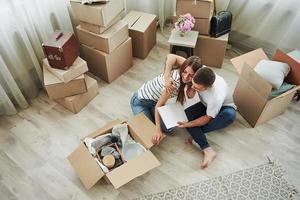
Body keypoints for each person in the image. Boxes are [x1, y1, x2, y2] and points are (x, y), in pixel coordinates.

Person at [130, 54, 202, 144]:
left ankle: (153, 117)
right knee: (151, 131)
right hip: (140, 101)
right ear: (183, 67)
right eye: (185, 72)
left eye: (191, 75)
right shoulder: (174, 83)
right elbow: (170, 56)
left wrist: (193, 86)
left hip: (155, 101)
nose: (186, 77)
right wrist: (158, 130)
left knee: (169, 129)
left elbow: (190, 95)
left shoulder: (190, 69)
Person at [174, 67, 237, 169]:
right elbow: (190, 93)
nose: (194, 88)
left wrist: (189, 125)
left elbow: (208, 118)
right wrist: (191, 87)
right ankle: (197, 135)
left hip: (224, 107)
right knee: (186, 115)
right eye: (193, 84)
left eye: (197, 88)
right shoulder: (200, 70)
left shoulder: (216, 96)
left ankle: (206, 149)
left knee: (230, 116)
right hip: (206, 105)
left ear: (209, 87)